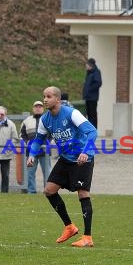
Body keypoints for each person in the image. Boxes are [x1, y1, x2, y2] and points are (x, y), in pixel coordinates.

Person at [27, 86, 97, 247]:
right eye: (44, 96)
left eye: (49, 96)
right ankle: (70, 227)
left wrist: (86, 151)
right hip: (65, 158)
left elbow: (92, 131)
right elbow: (39, 138)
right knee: (49, 190)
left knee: (83, 193)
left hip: (82, 158)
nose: (45, 99)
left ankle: (87, 237)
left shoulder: (71, 113)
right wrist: (32, 154)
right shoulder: (45, 119)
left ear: (57, 99)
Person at [20, 100, 51, 194]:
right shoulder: (26, 121)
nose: (38, 108)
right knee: (30, 173)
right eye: (36, 107)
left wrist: (47, 143)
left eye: (40, 106)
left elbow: (53, 134)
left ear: (43, 108)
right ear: (33, 108)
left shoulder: (48, 119)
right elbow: (22, 135)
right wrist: (27, 142)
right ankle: (31, 191)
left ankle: (48, 191)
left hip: (45, 151)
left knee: (47, 173)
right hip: (30, 152)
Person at [82, 58, 102, 128]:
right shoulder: (89, 73)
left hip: (93, 98)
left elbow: (98, 83)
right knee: (88, 114)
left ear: (91, 65)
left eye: (87, 65)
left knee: (92, 114)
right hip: (87, 97)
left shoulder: (96, 72)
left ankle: (94, 129)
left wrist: (89, 89)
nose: (86, 66)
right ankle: (90, 129)